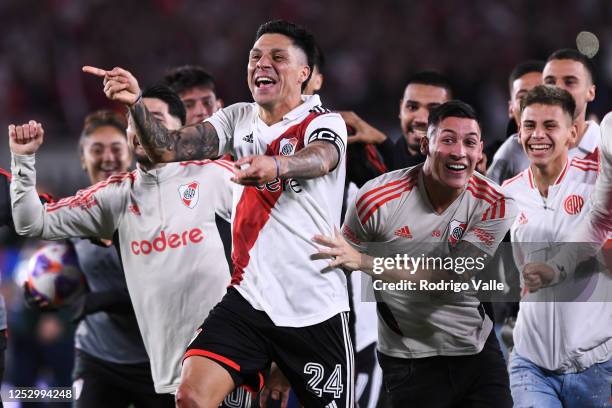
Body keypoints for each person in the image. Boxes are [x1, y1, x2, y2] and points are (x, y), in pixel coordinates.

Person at [84, 19, 354, 408]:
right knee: (191, 396)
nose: (263, 63)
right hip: (249, 300)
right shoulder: (237, 118)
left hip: (315, 308)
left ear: (304, 73)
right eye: (255, 56)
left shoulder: (324, 122)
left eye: (278, 57)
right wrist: (136, 103)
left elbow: (322, 158)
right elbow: (165, 148)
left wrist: (276, 166)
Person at [8, 85, 253, 406]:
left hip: (223, 359)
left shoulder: (213, 176)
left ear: (179, 132)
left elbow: (274, 223)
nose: (140, 127)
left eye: (151, 118)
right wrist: (24, 160)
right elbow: (31, 222)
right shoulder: (114, 196)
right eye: (133, 119)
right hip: (155, 371)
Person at [314, 101, 516, 407]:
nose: (459, 152)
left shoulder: (495, 202)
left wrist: (367, 262)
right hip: (408, 360)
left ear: (480, 151)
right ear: (426, 144)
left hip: (476, 354)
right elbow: (336, 267)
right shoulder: (376, 198)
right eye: (447, 140)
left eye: (469, 143)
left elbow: (450, 278)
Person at [25, 109, 174, 407]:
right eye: (97, 149)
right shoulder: (74, 214)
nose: (107, 157)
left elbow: (164, 293)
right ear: (82, 158)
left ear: (130, 153)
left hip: (156, 359)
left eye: (116, 148)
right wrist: (40, 296)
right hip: (96, 358)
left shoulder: (159, 211)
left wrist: (100, 301)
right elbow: (65, 272)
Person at [503, 85, 611, 406]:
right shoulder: (506, 195)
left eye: (550, 126)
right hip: (530, 362)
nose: (538, 135)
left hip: (596, 365)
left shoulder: (597, 183)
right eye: (529, 125)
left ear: (573, 134)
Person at [379, 71, 453, 171]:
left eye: (434, 110)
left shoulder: (473, 169)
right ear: (401, 109)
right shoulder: (375, 166)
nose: (421, 119)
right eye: (412, 107)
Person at [487, 60, 544, 185]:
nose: (532, 101)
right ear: (511, 108)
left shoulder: (583, 150)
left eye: (540, 93)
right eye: (523, 96)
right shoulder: (503, 157)